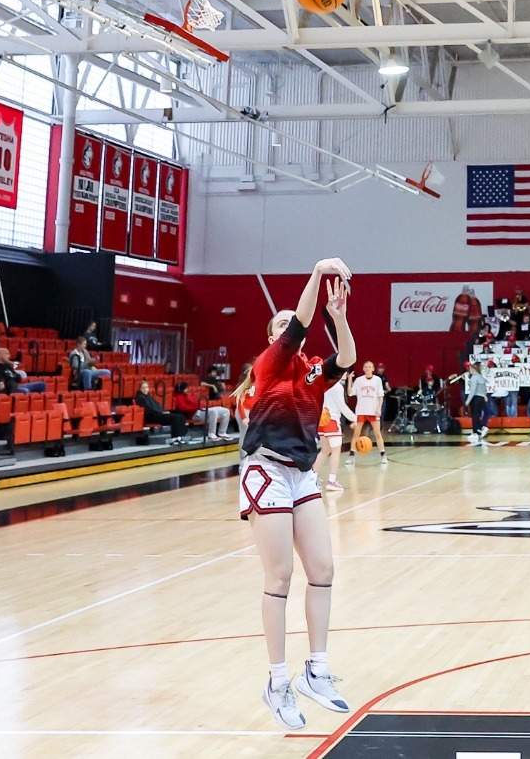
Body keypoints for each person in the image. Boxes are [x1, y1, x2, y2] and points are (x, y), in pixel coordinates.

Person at [240, 256, 355, 731]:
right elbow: (302, 323)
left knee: (323, 569)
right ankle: (276, 681)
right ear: (275, 337)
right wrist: (316, 272)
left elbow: (346, 359)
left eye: (293, 322)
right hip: (266, 470)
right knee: (280, 576)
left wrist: (340, 317)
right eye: (283, 324)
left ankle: (317, 671)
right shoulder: (269, 364)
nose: (291, 325)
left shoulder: (311, 371)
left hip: (301, 474)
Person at [347, 361, 388, 466]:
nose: (368, 368)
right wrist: (350, 379)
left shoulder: (377, 380)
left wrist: (379, 408)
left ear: (373, 369)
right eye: (366, 366)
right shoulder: (359, 380)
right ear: (363, 368)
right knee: (356, 434)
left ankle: (383, 455)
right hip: (361, 410)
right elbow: (350, 393)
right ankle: (351, 456)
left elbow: (380, 396)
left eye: (370, 367)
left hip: (373, 410)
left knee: (377, 434)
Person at [317, 375, 349, 492]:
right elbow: (342, 406)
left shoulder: (323, 383)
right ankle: (332, 481)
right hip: (332, 420)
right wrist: (353, 418)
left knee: (325, 450)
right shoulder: (338, 386)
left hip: (321, 419)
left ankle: (312, 479)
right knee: (336, 451)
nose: (346, 374)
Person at [463, 363, 490, 445]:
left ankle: (476, 432)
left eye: (470, 369)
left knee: (475, 415)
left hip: (475, 398)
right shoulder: (481, 377)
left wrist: (468, 401)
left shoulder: (474, 378)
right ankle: (481, 428)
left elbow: (473, 390)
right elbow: (485, 389)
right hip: (481, 398)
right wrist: (484, 395)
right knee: (481, 413)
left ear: (473, 369)